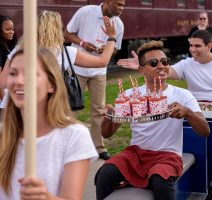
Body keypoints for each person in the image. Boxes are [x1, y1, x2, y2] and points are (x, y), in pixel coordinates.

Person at [118, 30, 212, 175]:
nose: (192, 50)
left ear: (209, 46)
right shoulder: (187, 64)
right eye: (191, 46)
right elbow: (167, 71)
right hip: (195, 106)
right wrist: (148, 65)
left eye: (197, 46)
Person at [95, 40, 210, 200]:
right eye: (154, 63)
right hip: (136, 154)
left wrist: (188, 113)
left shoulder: (182, 95)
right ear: (142, 69)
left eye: (165, 61)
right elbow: (106, 133)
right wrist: (109, 117)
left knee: (160, 180)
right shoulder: (129, 95)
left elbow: (205, 131)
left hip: (167, 156)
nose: (161, 66)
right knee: (105, 173)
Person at [0, 10, 116, 158]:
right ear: (56, 30)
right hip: (45, 113)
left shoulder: (19, 50)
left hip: (13, 110)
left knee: (13, 158)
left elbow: (2, 82)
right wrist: (111, 37)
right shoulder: (66, 53)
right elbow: (102, 61)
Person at [0, 48, 98, 199]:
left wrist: (46, 197)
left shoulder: (74, 136)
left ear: (51, 84)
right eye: (13, 73)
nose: (19, 81)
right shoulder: (3, 134)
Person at [65, 0, 126, 160]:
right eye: (118, 4)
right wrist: (83, 43)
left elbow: (116, 48)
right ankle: (68, 147)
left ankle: (99, 148)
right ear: (107, 2)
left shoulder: (118, 24)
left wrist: (105, 50)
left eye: (123, 5)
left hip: (99, 71)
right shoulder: (85, 12)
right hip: (77, 68)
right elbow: (67, 33)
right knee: (71, 108)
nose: (121, 8)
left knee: (99, 110)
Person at [0, 15, 17, 116]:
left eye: (12, 29)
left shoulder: (9, 46)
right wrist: (4, 103)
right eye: (7, 29)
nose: (11, 32)